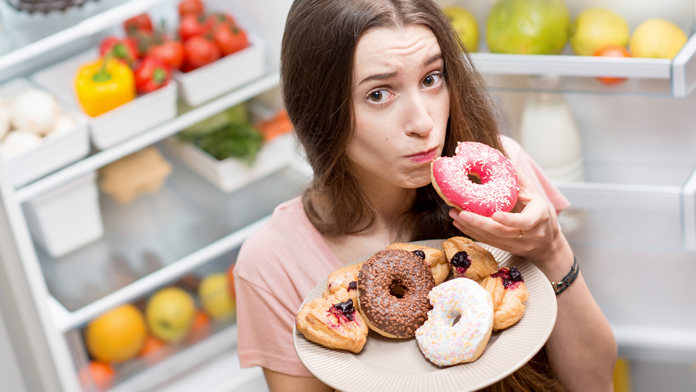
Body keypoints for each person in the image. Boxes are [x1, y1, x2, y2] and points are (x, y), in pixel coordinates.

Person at [234, 0, 617, 391]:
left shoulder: (502, 176)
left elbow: (596, 383)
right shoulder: (274, 261)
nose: (423, 123)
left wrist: (551, 250)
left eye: (431, 78)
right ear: (318, 111)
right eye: (379, 94)